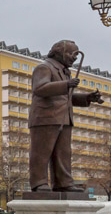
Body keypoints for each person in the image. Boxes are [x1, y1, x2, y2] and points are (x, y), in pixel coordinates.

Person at [29, 40, 103, 192]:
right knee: (42, 152)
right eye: (71, 53)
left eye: (76, 55)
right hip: (45, 117)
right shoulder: (44, 67)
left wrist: (87, 97)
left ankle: (63, 183)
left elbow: (66, 97)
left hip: (63, 118)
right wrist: (66, 85)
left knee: (63, 153)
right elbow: (40, 88)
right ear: (58, 52)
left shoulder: (64, 72)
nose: (74, 58)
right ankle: (39, 183)